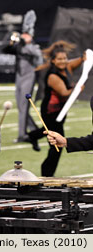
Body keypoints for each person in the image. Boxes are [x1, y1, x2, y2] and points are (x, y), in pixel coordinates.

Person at [28, 40, 86, 177]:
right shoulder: (53, 75)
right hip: (51, 111)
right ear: (53, 61)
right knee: (56, 146)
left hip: (60, 111)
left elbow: (75, 63)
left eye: (65, 58)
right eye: (59, 59)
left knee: (49, 132)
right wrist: (76, 88)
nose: (63, 61)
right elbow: (64, 92)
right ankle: (47, 174)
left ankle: (32, 136)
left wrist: (83, 58)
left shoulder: (66, 68)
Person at [3, 10, 43, 150]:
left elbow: (39, 58)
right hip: (19, 77)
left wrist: (27, 44)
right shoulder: (19, 46)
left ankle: (22, 135)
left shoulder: (33, 46)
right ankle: (36, 130)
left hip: (29, 77)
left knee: (24, 106)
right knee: (21, 107)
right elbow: (6, 50)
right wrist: (12, 40)